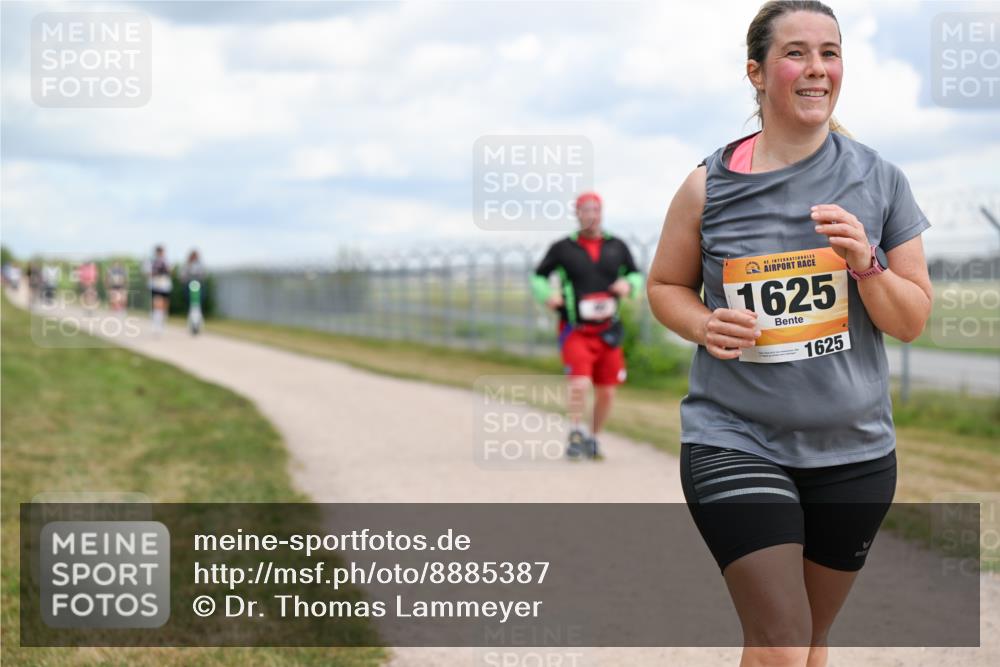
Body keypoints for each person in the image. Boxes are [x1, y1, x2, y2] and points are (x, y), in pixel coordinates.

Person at [646, 2, 933, 665]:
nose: (816, 69)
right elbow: (664, 286)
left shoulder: (880, 179)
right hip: (735, 437)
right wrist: (704, 321)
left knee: (810, 638)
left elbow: (911, 318)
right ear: (756, 72)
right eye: (796, 53)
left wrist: (867, 264)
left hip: (854, 451)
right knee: (779, 634)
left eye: (829, 53)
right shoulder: (705, 186)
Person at [532, 192, 644, 460]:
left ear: (602, 213)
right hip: (575, 330)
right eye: (585, 210)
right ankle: (575, 432)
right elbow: (538, 277)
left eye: (595, 210)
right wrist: (547, 295)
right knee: (580, 384)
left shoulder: (617, 246)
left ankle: (593, 437)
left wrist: (629, 285)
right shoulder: (562, 248)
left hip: (608, 331)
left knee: (607, 391)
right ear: (577, 213)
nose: (591, 215)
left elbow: (635, 274)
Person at [147, 245, 172, 334]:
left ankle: (163, 317)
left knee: (164, 303)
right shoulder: (152, 261)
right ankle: (156, 320)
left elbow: (170, 271)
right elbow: (149, 273)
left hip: (165, 285)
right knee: (157, 303)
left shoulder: (166, 261)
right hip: (155, 284)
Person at [180, 249, 205, 334]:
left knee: (197, 306)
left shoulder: (200, 265)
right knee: (192, 307)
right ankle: (192, 324)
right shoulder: (187, 265)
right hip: (188, 287)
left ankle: (197, 325)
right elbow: (182, 276)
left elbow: (203, 275)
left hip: (198, 288)